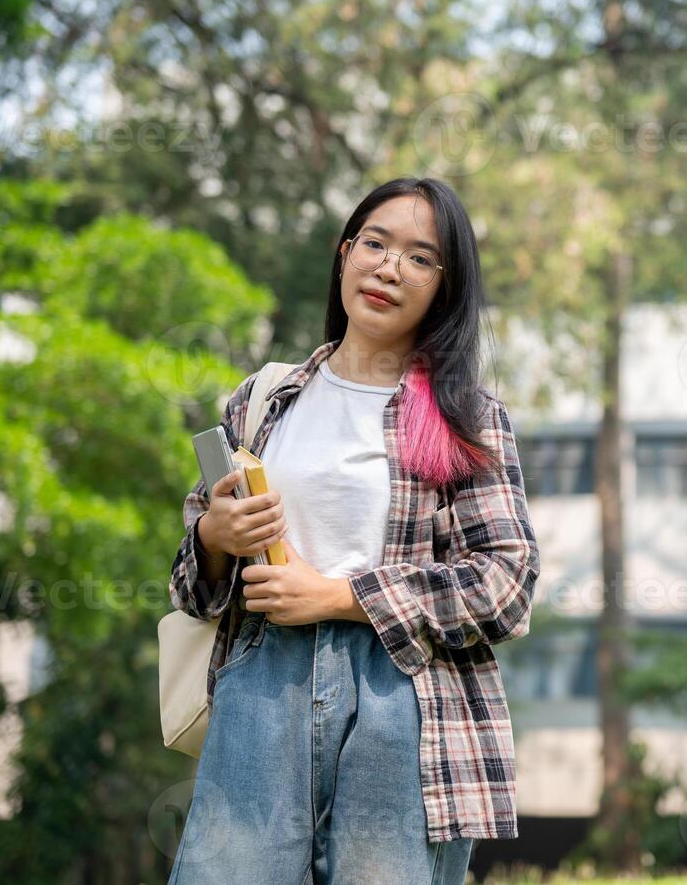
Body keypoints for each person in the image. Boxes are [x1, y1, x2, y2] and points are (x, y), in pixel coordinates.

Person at [166, 177, 541, 885]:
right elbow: (191, 592)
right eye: (374, 243)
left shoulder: (467, 417)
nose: (389, 267)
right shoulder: (262, 400)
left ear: (444, 287)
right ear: (344, 255)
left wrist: (342, 596)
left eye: (420, 258)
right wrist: (215, 535)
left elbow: (507, 584)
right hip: (262, 680)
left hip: (404, 699)